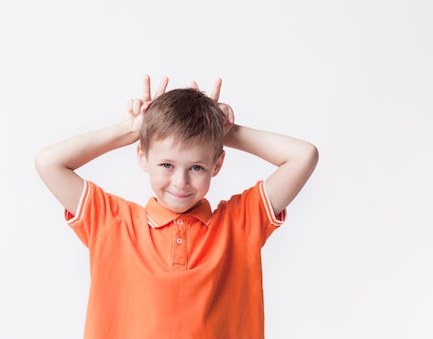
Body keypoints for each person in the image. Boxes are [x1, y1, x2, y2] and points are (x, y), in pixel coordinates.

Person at [34, 75, 318, 339]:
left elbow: (303, 156)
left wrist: (223, 133)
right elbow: (49, 163)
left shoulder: (240, 224)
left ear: (216, 164)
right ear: (143, 158)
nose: (181, 182)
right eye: (167, 165)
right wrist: (126, 130)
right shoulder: (113, 223)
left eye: (196, 166)